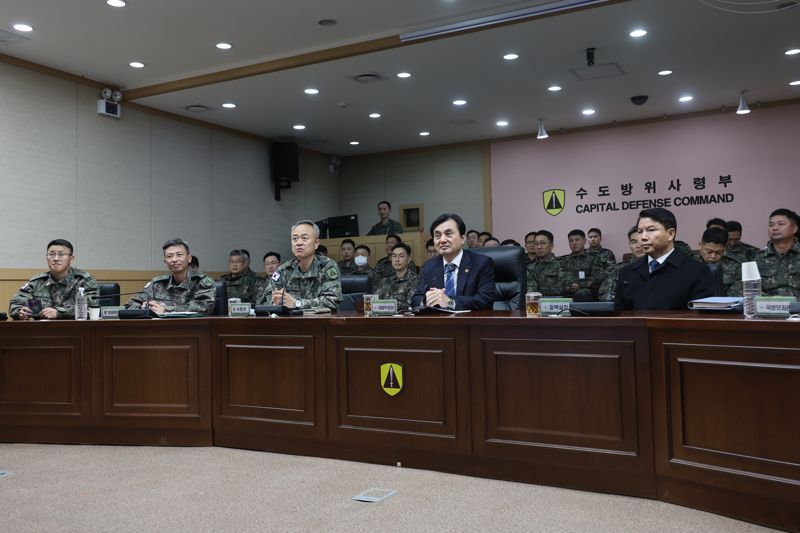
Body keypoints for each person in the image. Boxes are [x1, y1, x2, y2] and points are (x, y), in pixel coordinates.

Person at [616, 208, 716, 310]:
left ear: (670, 234)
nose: (643, 237)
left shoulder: (696, 271)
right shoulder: (626, 273)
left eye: (651, 230)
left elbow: (703, 318)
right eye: (640, 231)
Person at [412, 213, 495, 310]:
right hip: (438, 323)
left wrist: (449, 302)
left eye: (448, 234)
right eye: (437, 236)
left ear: (462, 239)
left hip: (470, 322)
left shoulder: (481, 263)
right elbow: (415, 299)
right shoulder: (428, 266)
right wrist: (427, 300)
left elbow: (485, 300)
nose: (442, 240)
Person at [256, 220, 342, 311]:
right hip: (289, 322)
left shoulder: (328, 266)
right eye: (295, 239)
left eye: (304, 238)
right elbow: (263, 300)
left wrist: (296, 303)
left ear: (316, 243)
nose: (298, 243)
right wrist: (276, 301)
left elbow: (332, 301)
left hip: (320, 322)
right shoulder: (284, 270)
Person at [9, 238, 99, 320]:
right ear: (46, 257)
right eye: (51, 254)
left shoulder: (85, 280)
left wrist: (59, 313)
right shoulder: (36, 282)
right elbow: (15, 305)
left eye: (61, 254)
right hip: (41, 332)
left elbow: (92, 308)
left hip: (77, 332)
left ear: (71, 258)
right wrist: (20, 312)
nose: (56, 258)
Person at [125, 238, 215, 314]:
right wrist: (145, 307)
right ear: (165, 261)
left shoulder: (202, 281)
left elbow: (205, 306)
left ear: (189, 258)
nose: (174, 259)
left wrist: (166, 310)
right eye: (169, 256)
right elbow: (130, 305)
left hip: (193, 331)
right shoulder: (157, 284)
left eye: (179, 255)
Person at [732, 208, 800, 298]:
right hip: (766, 307)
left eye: (781, 224)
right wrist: (767, 300)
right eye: (771, 225)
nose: (775, 228)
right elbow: (739, 288)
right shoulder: (756, 258)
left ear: (794, 228)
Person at [687, 227, 740, 296]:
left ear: (725, 249)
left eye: (718, 252)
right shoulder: (688, 263)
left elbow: (735, 296)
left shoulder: (735, 265)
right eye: (709, 251)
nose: (713, 256)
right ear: (700, 245)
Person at [599, 226, 645, 301]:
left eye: (642, 241)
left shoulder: (659, 266)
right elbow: (605, 294)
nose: (638, 246)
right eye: (634, 242)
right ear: (629, 245)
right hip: (625, 310)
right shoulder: (620, 269)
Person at [557, 229, 604, 301]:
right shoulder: (564, 260)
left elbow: (597, 277)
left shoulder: (594, 257)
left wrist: (580, 285)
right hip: (568, 292)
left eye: (577, 240)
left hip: (588, 294)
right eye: (571, 241)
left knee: (582, 293)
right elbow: (561, 277)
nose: (574, 243)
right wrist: (570, 286)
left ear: (584, 241)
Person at [376, 243, 419, 311]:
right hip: (384, 318)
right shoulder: (385, 281)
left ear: (408, 260)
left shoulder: (415, 280)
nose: (397, 259)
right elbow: (376, 303)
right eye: (394, 256)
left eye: (401, 256)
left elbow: (411, 305)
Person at [526, 230, 562, 296]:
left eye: (542, 243)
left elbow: (564, 288)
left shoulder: (562, 264)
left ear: (551, 245)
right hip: (536, 304)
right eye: (536, 244)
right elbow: (532, 292)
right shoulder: (530, 268)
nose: (539, 247)